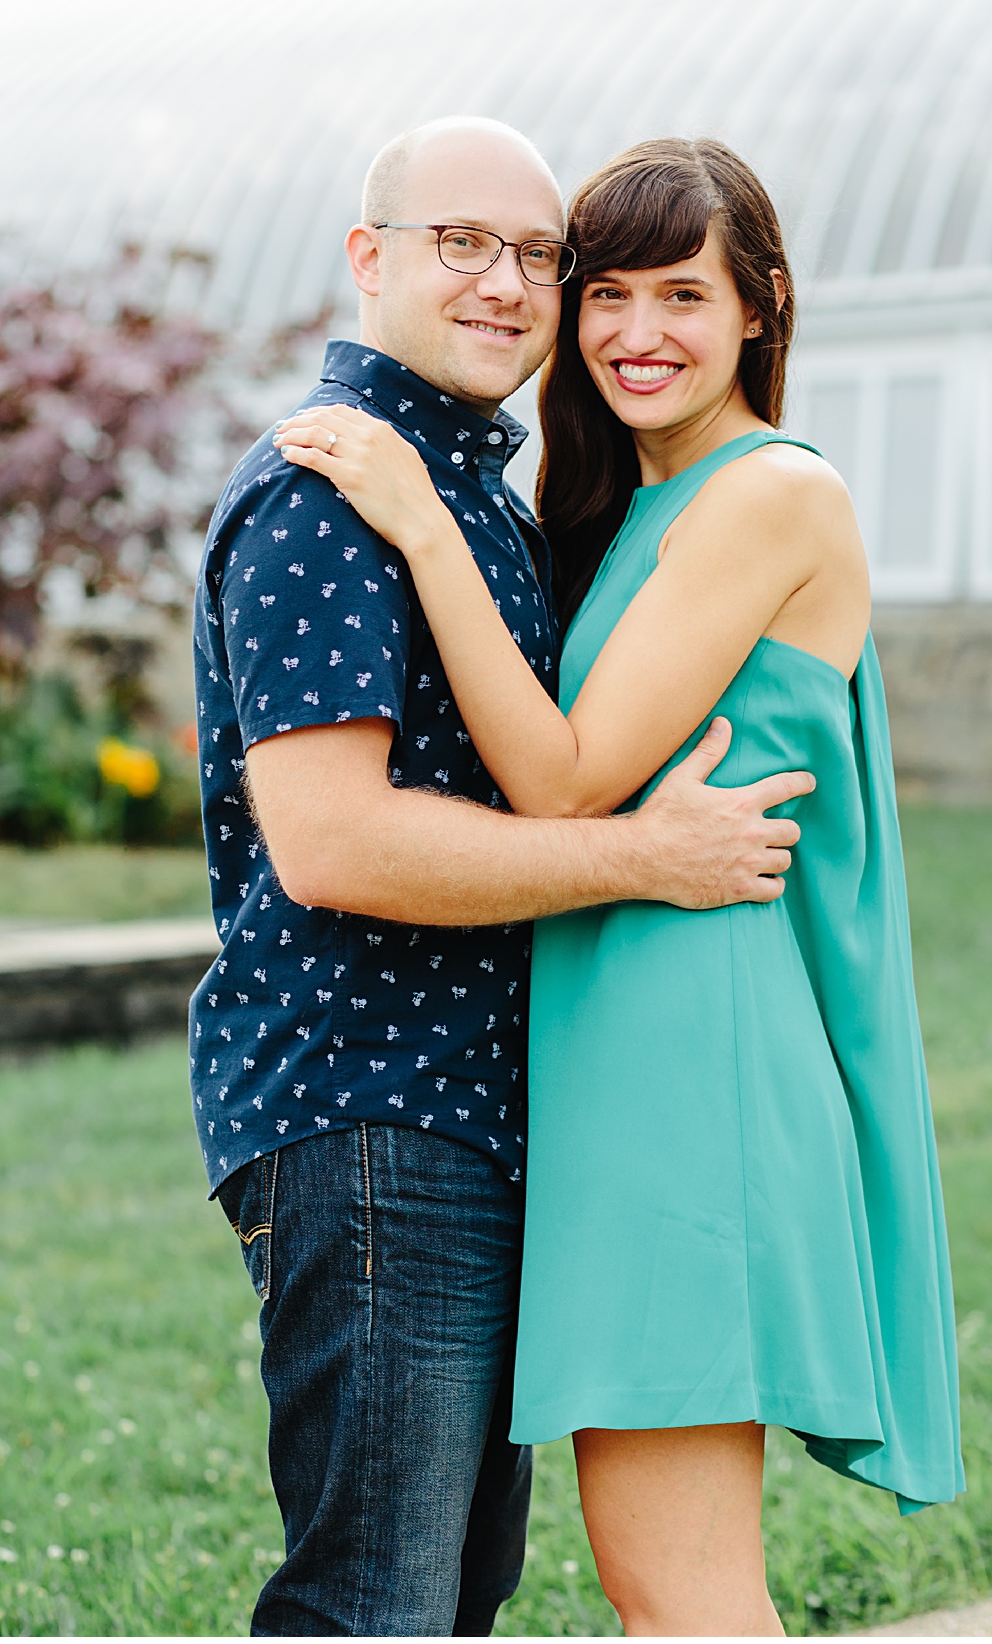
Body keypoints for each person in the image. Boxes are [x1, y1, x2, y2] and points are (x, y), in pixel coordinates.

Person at [277, 135, 965, 1638]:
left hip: (691, 1060)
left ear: (762, 309)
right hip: (620, 1057)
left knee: (682, 1599)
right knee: (660, 1587)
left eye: (683, 296)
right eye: (605, 293)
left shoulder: (767, 494)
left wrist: (419, 520)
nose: (633, 333)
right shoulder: (627, 514)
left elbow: (568, 778)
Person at [190, 118, 817, 1638]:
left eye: (536, 256)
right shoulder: (333, 496)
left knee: (454, 1595)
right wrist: (641, 859)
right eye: (459, 243)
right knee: (377, 1604)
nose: (506, 285)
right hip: (373, 1108)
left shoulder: (476, 496)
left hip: (470, 1122)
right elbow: (334, 843)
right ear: (368, 259)